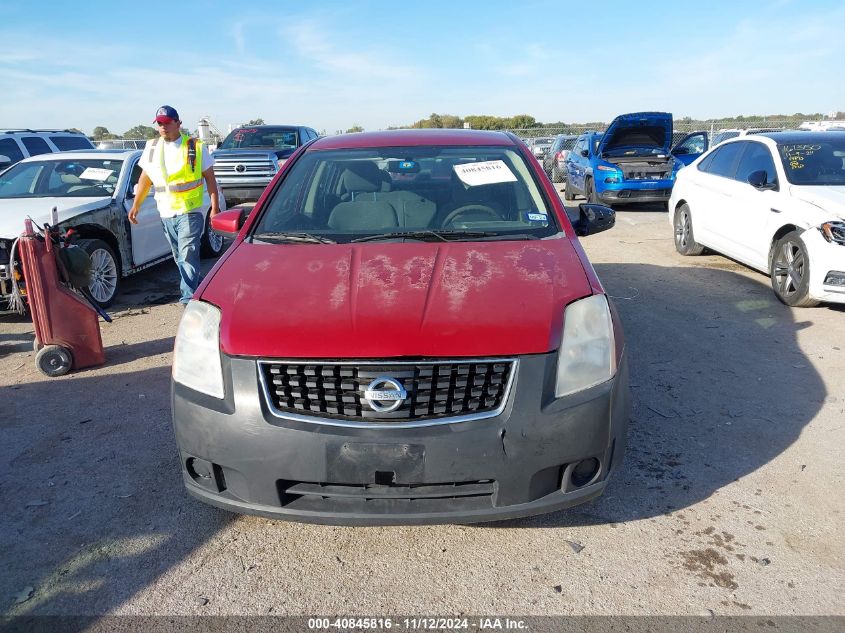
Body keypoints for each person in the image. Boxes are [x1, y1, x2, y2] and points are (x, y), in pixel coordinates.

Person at [129, 105, 220, 304]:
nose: (163, 127)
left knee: (188, 254)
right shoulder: (152, 147)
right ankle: (201, 287)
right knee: (180, 256)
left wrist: (215, 208)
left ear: (178, 123)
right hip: (165, 212)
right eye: (159, 123)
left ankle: (188, 299)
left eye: (167, 122)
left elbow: (210, 179)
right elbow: (145, 178)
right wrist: (136, 204)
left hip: (190, 211)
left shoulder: (194, 146)